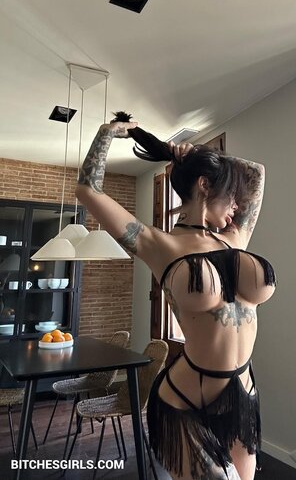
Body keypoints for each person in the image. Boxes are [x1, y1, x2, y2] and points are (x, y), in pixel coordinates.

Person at [76, 116, 277, 480]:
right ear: (204, 185)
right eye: (230, 196)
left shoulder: (235, 236)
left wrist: (194, 152)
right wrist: (108, 133)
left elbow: (256, 173)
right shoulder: (159, 244)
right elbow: (88, 190)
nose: (236, 206)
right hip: (185, 398)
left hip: (242, 393)